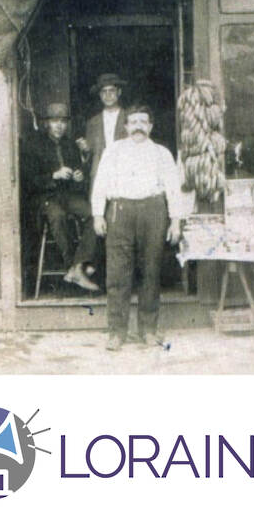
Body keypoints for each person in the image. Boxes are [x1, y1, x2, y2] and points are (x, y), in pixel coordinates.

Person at [91, 104, 182, 351]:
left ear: (150, 126)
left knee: (150, 271)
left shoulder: (162, 153)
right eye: (134, 122)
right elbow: (100, 184)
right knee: (118, 273)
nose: (138, 126)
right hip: (120, 211)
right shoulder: (114, 151)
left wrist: (175, 221)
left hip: (153, 211)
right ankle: (117, 332)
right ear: (126, 126)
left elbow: (173, 187)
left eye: (143, 122)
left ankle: (148, 330)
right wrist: (98, 214)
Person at [22, 103, 99, 292]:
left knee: (93, 214)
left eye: (63, 122)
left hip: (66, 195)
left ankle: (78, 264)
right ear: (47, 123)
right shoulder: (34, 144)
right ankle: (72, 266)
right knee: (57, 216)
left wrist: (78, 176)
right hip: (44, 197)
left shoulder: (70, 144)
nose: (59, 126)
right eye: (55, 121)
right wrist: (53, 175)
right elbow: (28, 180)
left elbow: (77, 178)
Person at [76, 73, 128, 185]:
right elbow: (89, 156)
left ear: (119, 92)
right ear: (99, 95)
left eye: (112, 91)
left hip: (124, 172)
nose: (108, 95)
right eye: (104, 91)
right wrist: (85, 149)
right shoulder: (92, 122)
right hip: (100, 174)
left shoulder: (129, 118)